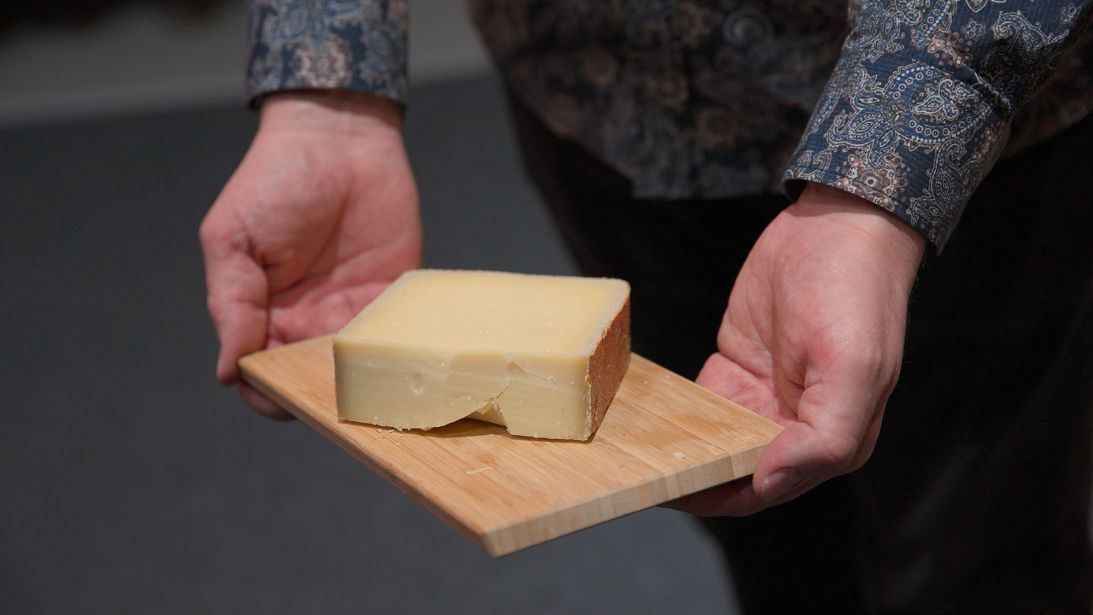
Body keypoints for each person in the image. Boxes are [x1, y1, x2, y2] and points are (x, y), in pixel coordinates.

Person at [200, 1, 1093, 612]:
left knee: (983, 552)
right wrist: (326, 92)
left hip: (966, 137)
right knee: (764, 518)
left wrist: (875, 187)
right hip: (604, 98)